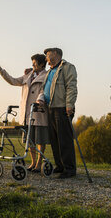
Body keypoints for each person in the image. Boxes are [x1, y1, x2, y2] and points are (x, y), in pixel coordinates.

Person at [0, 54, 50, 172]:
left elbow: (44, 91)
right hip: (27, 113)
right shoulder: (27, 76)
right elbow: (13, 81)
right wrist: (2, 71)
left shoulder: (46, 76)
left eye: (34, 63)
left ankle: (39, 163)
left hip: (38, 112)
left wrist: (40, 100)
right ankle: (33, 162)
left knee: (39, 139)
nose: (32, 65)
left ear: (41, 64)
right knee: (29, 140)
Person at [37, 47, 78, 179]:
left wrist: (69, 105)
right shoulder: (49, 71)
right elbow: (44, 89)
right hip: (50, 108)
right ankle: (60, 166)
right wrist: (42, 99)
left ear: (56, 54)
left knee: (64, 139)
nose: (46, 59)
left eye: (47, 55)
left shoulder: (67, 67)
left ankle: (69, 169)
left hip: (62, 107)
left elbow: (71, 86)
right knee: (54, 140)